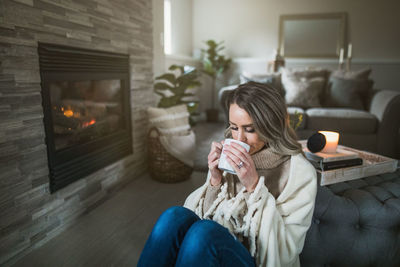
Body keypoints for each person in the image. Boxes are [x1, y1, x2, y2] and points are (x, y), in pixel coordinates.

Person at [138, 82, 317, 267]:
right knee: (173, 216)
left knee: (204, 232)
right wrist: (215, 180)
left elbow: (285, 252)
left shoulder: (298, 172)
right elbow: (206, 217)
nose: (239, 139)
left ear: (271, 125)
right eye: (233, 127)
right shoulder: (228, 156)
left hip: (257, 260)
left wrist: (254, 187)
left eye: (250, 129)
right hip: (215, 245)